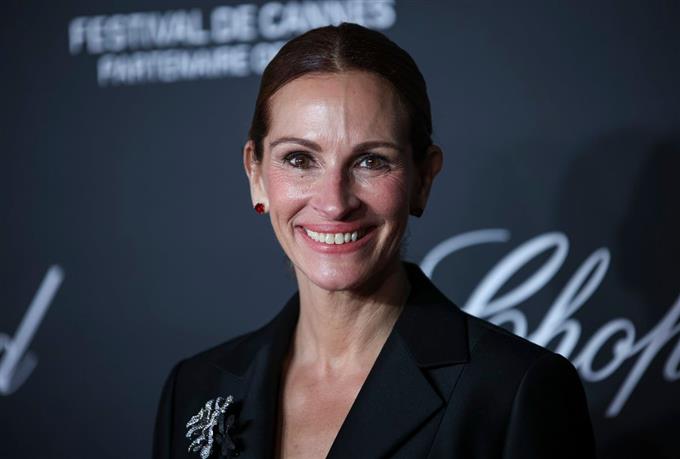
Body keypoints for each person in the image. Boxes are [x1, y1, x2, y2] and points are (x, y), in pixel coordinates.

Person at [152, 23, 596, 459]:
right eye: (300, 159)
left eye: (370, 161)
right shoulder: (194, 388)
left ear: (423, 179)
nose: (334, 203)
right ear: (256, 174)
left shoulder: (512, 391)